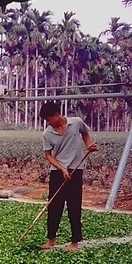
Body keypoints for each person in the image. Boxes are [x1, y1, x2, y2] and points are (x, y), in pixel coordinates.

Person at [39, 102, 98, 251]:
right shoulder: (48, 133)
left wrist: (88, 145)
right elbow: (48, 155)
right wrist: (61, 168)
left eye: (48, 119)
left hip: (75, 170)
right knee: (54, 206)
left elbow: (85, 133)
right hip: (58, 171)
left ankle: (74, 241)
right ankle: (51, 239)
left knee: (74, 206)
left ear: (57, 115)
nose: (48, 122)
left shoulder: (76, 123)